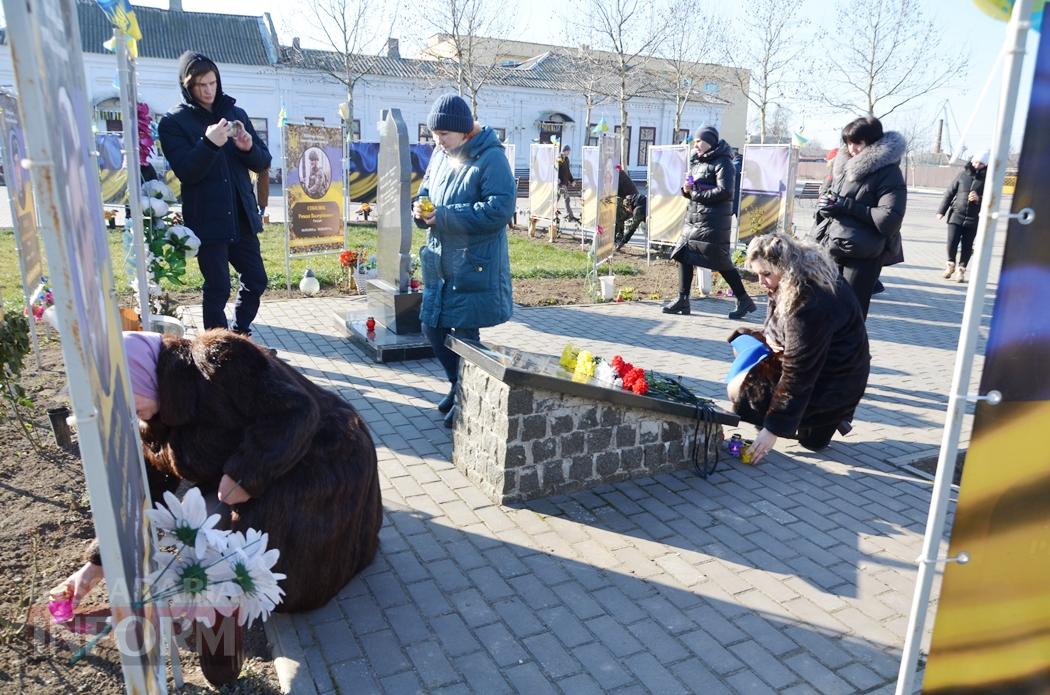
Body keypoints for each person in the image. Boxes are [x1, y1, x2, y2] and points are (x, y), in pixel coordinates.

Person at [52, 330, 383, 613]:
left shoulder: (219, 357)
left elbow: (295, 412)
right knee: (240, 541)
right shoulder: (149, 412)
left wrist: (247, 473)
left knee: (278, 548)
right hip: (279, 457)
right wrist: (97, 564)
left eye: (124, 396)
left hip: (329, 449)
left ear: (138, 371)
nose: (125, 411)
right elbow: (144, 490)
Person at [413, 94, 516, 428]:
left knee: (466, 337)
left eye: (443, 134)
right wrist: (420, 209)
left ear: (462, 130)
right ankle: (458, 385)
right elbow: (426, 192)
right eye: (434, 134)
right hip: (440, 259)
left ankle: (468, 398)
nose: (437, 141)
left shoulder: (491, 159)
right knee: (432, 325)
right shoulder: (442, 155)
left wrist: (442, 216)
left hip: (473, 262)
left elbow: (498, 211)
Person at [727, 233, 870, 463]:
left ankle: (822, 418)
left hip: (834, 379)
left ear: (784, 267)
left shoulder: (809, 301)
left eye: (766, 274)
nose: (761, 282)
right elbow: (780, 324)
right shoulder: (798, 276)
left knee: (738, 390)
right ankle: (805, 420)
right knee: (744, 345)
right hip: (821, 362)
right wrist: (773, 339)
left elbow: (799, 372)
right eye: (757, 275)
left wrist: (773, 428)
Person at [158, 52, 271, 336]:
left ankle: (240, 334)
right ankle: (217, 348)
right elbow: (186, 171)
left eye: (212, 83)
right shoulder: (173, 123)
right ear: (187, 86)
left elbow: (262, 161)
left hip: (241, 216)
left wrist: (247, 147)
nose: (209, 91)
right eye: (201, 85)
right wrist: (208, 144)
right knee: (218, 288)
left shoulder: (235, 114)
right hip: (208, 220)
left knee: (256, 279)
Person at [813, 116, 906, 318]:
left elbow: (889, 218)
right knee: (824, 313)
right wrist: (825, 208)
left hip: (863, 255)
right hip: (831, 247)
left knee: (849, 316)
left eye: (857, 143)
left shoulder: (889, 172)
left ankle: (850, 351)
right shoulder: (843, 167)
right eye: (848, 142)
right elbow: (830, 200)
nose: (851, 148)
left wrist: (846, 206)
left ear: (872, 142)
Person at [663, 126, 756, 319]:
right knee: (683, 254)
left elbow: (725, 191)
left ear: (709, 142)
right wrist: (686, 189)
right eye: (695, 141)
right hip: (694, 219)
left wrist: (695, 193)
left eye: (699, 141)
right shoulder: (697, 162)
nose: (695, 145)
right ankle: (683, 299)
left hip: (713, 222)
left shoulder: (724, 162)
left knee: (720, 261)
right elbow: (692, 187)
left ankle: (744, 299)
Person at [937, 150, 988, 283]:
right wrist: (941, 210)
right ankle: (950, 265)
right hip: (956, 215)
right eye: (975, 162)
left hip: (974, 218)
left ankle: (961, 269)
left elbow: (993, 199)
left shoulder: (989, 180)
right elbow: (949, 193)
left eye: (981, 163)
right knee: (951, 242)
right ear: (971, 161)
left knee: (967, 245)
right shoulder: (962, 175)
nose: (977, 165)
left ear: (986, 165)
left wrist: (979, 198)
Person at [613, 165, 647, 250]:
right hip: (634, 203)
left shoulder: (637, 210)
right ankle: (618, 237)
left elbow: (632, 229)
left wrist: (622, 242)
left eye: (627, 209)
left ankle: (619, 238)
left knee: (620, 216)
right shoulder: (638, 199)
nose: (628, 211)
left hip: (651, 217)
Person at [557, 145, 580, 223]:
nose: (569, 152)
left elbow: (568, 172)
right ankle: (570, 216)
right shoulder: (560, 158)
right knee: (567, 199)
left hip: (565, 183)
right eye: (568, 151)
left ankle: (569, 216)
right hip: (561, 184)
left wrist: (572, 180)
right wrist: (557, 178)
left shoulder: (567, 159)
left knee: (558, 199)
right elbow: (555, 169)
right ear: (565, 150)